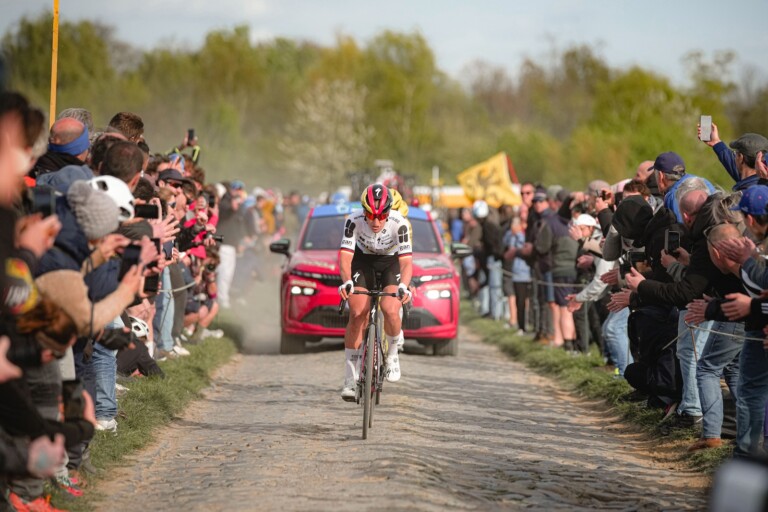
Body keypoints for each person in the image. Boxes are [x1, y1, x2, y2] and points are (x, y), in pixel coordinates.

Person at [337, 184, 413, 401]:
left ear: (389, 212)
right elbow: (345, 258)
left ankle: (391, 355)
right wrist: (347, 282)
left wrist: (403, 286)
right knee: (357, 312)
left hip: (391, 262)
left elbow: (406, 262)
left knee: (390, 309)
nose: (376, 222)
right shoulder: (353, 221)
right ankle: (350, 379)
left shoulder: (400, 224)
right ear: (363, 211)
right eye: (370, 215)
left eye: (382, 216)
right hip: (363, 261)